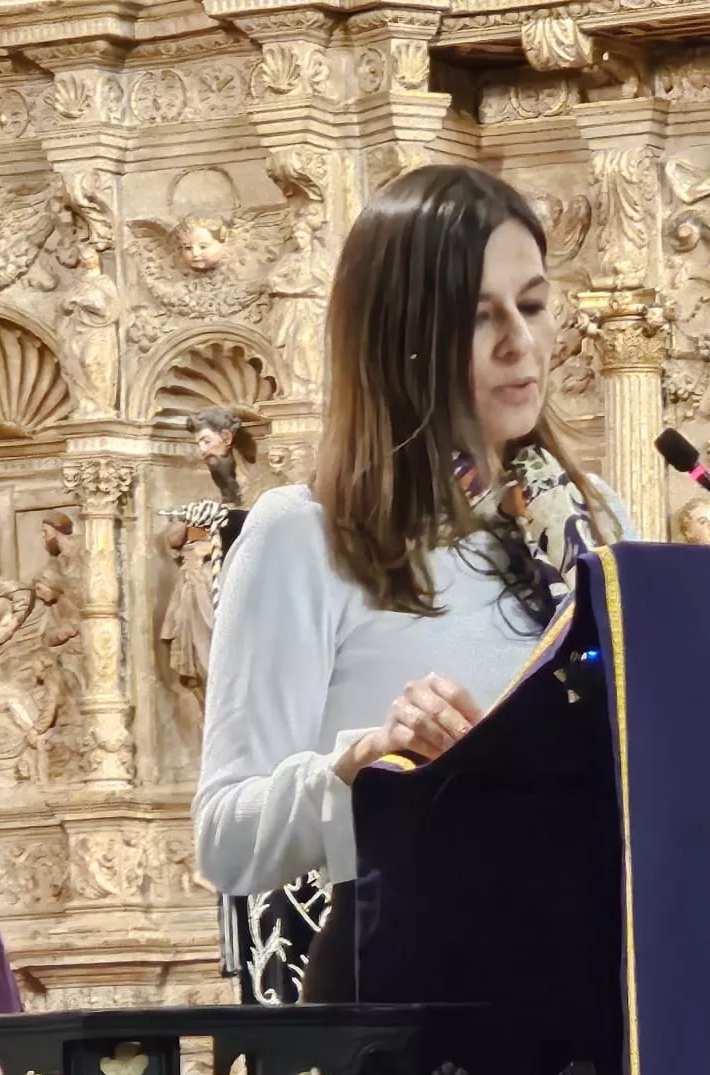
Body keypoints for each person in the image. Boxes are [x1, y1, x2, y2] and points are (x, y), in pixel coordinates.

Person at [191, 165, 635, 995]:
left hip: (589, 978)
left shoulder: (599, 521)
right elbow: (225, 838)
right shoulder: (304, 533)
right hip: (414, 995)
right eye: (477, 318)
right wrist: (363, 764)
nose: (519, 342)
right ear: (402, 337)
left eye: (532, 305)